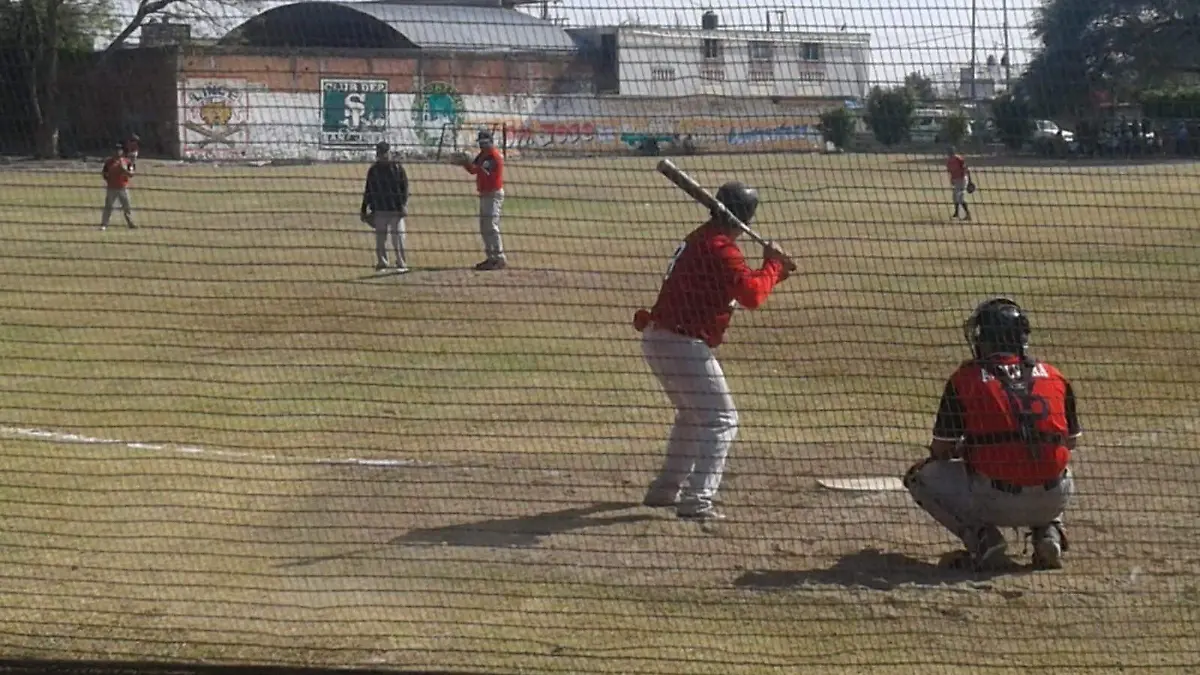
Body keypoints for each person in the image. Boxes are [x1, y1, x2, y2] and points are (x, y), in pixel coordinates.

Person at [632, 181, 791, 521]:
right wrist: (773, 266)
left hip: (661, 338)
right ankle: (697, 499)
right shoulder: (720, 248)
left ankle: (665, 490)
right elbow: (751, 296)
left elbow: (746, 285)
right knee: (722, 420)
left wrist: (772, 273)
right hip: (681, 343)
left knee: (694, 416)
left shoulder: (703, 238)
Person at [903, 297, 1081, 571]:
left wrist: (974, 447)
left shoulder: (966, 379)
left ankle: (983, 540)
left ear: (986, 340)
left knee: (919, 476)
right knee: (1051, 457)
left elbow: (940, 451)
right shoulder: (1055, 375)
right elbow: (1071, 441)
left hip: (995, 500)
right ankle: (1049, 531)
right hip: (1054, 497)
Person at [360, 141, 410, 273]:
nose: (382, 156)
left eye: (384, 153)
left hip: (395, 209)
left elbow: (404, 188)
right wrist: (364, 209)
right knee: (380, 240)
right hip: (380, 209)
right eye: (380, 153)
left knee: (398, 238)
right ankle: (382, 263)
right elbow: (368, 190)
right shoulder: (373, 170)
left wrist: (404, 205)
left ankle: (401, 263)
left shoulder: (397, 168)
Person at [461, 130, 506, 271]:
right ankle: (490, 257)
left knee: (491, 226)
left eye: (484, 143)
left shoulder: (494, 156)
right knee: (484, 227)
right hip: (484, 194)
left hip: (493, 194)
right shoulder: (483, 155)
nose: (481, 146)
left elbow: (485, 172)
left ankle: (499, 257)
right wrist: (465, 163)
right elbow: (474, 170)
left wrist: (471, 163)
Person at [100, 144, 136, 231]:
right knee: (108, 206)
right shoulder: (108, 162)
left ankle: (130, 223)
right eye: (115, 150)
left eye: (119, 150)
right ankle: (104, 224)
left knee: (126, 206)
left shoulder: (127, 162)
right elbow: (104, 174)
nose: (117, 152)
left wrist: (123, 170)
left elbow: (131, 174)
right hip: (112, 188)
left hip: (123, 187)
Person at [946, 146, 973, 221]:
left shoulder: (958, 159)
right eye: (948, 151)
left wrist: (970, 181)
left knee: (960, 198)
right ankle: (956, 213)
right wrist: (952, 179)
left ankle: (968, 215)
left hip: (962, 179)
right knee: (955, 197)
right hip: (956, 180)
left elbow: (966, 169)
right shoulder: (949, 161)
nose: (949, 153)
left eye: (950, 151)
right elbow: (951, 171)